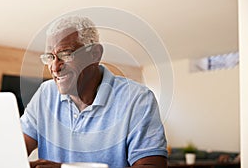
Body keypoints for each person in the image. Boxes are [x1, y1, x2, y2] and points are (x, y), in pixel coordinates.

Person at [20, 16, 168, 168]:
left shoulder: (137, 99)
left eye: (66, 54)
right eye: (50, 57)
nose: (55, 67)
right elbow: (14, 148)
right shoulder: (45, 94)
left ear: (95, 54)